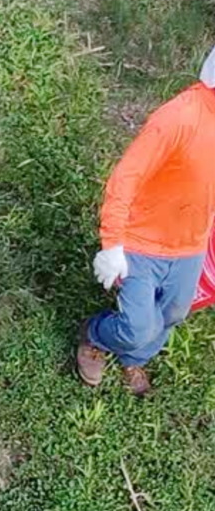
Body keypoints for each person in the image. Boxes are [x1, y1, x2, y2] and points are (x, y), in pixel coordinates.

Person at [77, 44, 215, 396]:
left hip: (191, 245)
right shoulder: (179, 117)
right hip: (141, 242)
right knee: (139, 326)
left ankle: (133, 357)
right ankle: (95, 335)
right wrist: (112, 245)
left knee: (172, 316)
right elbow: (127, 177)